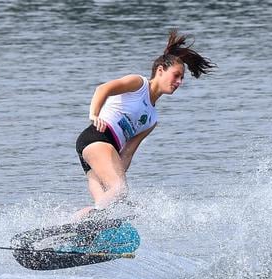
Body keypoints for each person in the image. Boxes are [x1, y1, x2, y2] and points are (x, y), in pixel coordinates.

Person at [75, 30, 215, 218]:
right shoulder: (138, 83)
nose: (179, 82)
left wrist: (117, 172)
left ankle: (75, 227)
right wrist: (94, 114)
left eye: (182, 78)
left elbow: (128, 152)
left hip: (107, 151)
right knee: (119, 191)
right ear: (160, 70)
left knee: (108, 203)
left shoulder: (152, 119)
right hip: (98, 137)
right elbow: (103, 89)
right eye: (176, 75)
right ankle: (90, 222)